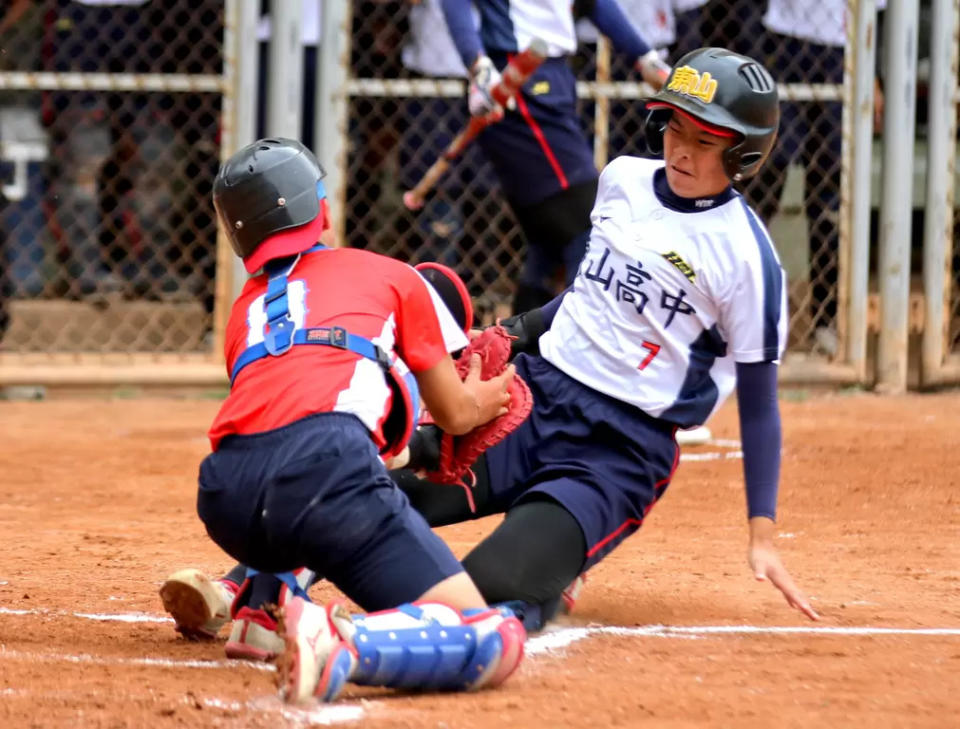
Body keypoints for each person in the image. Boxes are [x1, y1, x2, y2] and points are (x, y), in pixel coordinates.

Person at [394, 46, 820, 631]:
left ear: (742, 152)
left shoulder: (747, 259)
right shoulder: (623, 180)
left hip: (617, 448)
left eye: (705, 139)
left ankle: (550, 569)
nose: (681, 148)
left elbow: (759, 402)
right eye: (675, 125)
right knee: (383, 493)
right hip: (534, 397)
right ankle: (252, 587)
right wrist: (513, 333)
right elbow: (589, 295)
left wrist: (763, 535)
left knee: (489, 587)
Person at [177, 137, 525, 703]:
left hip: (225, 494)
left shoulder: (245, 310)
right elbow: (455, 415)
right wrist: (489, 397)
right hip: (324, 471)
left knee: (306, 493)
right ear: (322, 210)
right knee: (490, 634)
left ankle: (262, 607)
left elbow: (279, 414)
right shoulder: (389, 273)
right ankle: (344, 645)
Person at [438, 0, 671, 313]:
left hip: (556, 74)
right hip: (518, 78)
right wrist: (477, 64)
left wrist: (645, 58)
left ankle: (519, 348)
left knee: (549, 239)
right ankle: (579, 340)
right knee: (587, 224)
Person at [740, 0, 885, 355]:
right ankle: (744, 307)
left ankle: (824, 319)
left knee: (829, 191)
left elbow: (874, 17)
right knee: (766, 176)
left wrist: (875, 75)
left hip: (842, 50)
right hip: (780, 42)